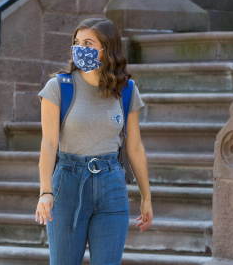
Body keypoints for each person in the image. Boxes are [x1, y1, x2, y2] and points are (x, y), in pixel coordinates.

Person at [33, 18, 153, 264]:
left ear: (107, 49)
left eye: (88, 43)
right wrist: (45, 191)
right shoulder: (58, 87)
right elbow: (48, 143)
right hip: (67, 182)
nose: (80, 48)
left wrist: (146, 196)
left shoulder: (127, 90)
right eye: (77, 42)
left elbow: (135, 147)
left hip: (112, 183)